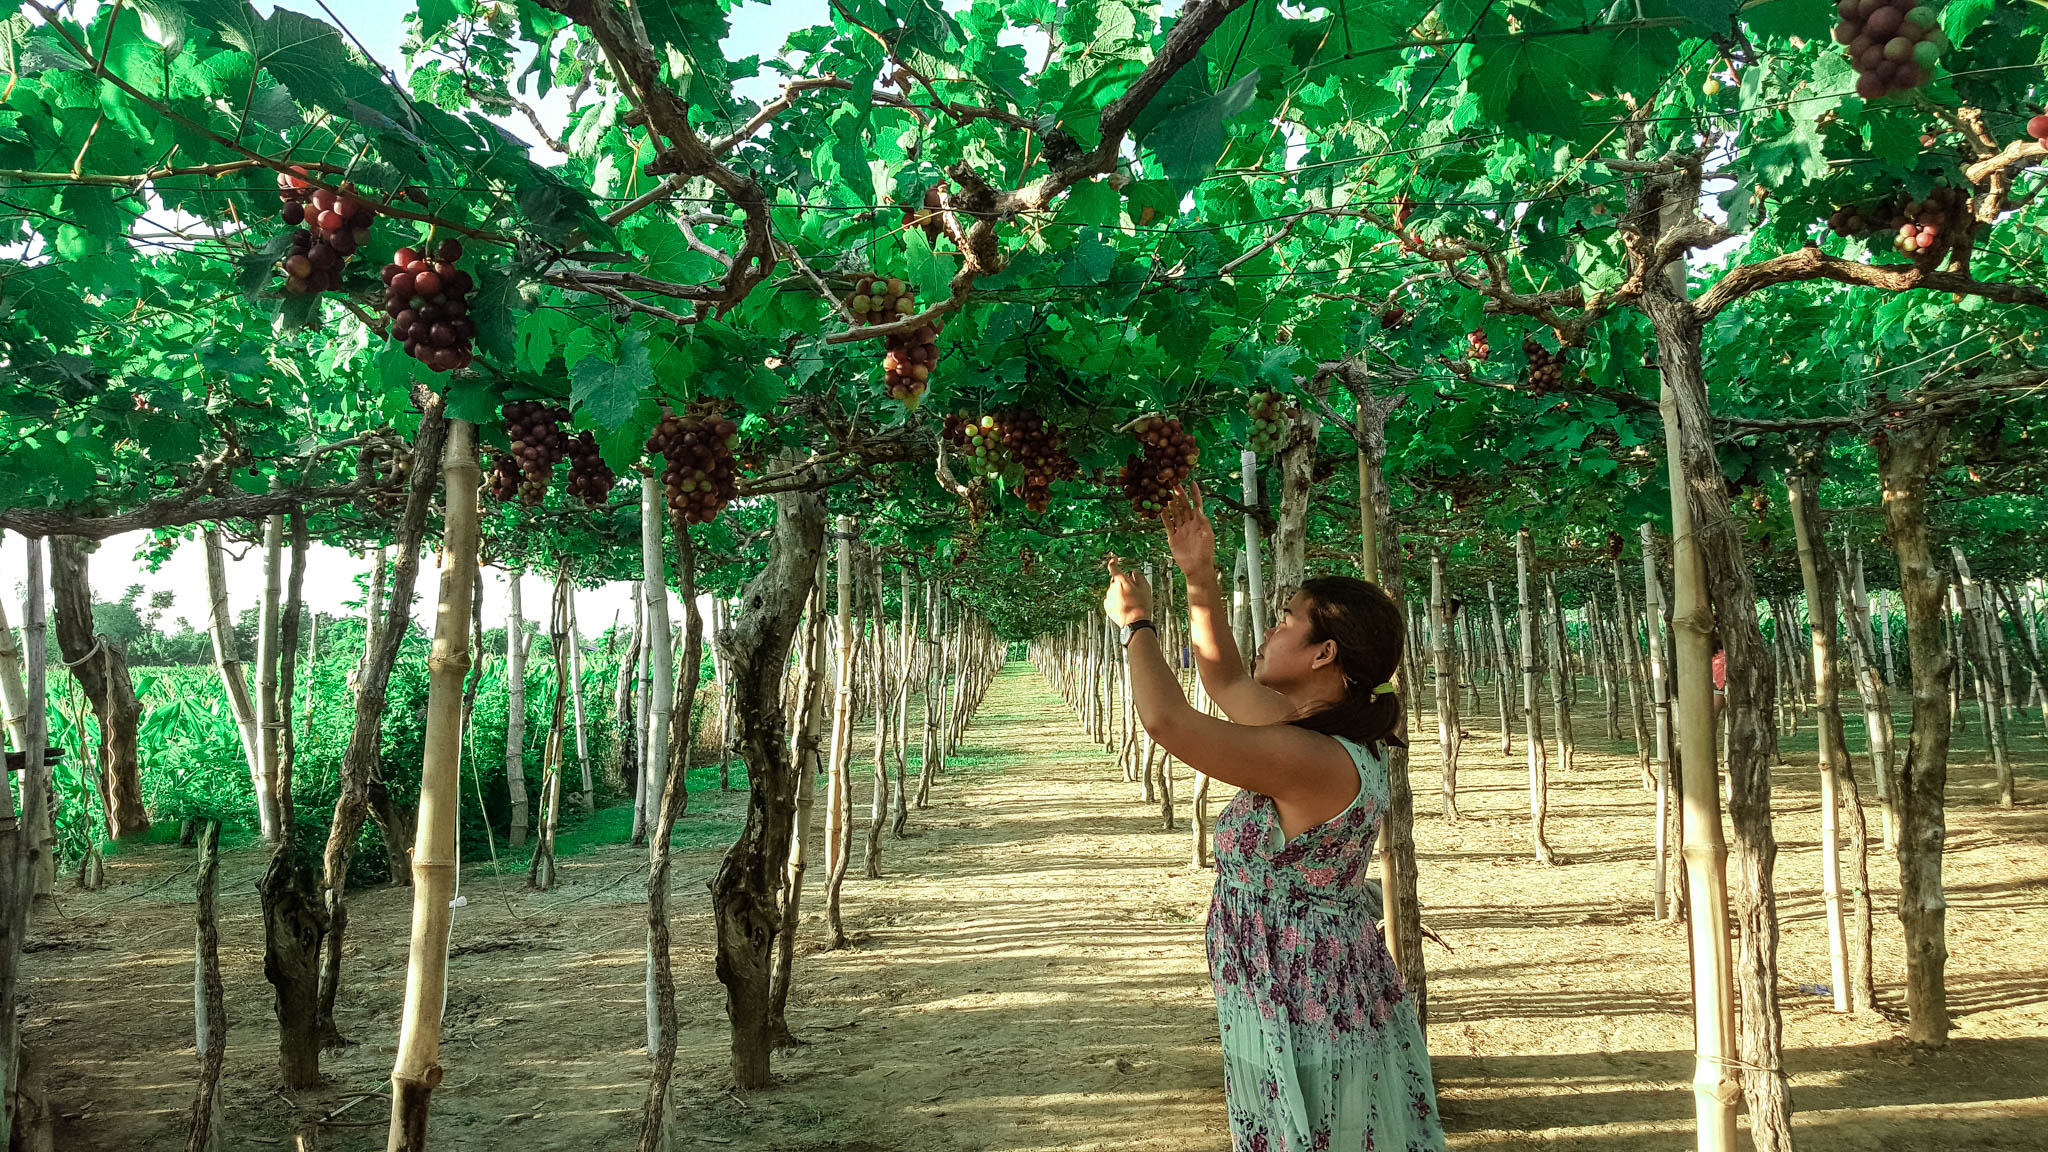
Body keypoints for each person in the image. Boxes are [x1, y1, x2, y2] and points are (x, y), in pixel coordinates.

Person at [1102, 480, 1444, 1152]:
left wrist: (1136, 625)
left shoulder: (1308, 756)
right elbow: (1225, 680)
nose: (1273, 627)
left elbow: (1166, 720)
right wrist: (1196, 575)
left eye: (1288, 620)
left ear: (1324, 653)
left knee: (1317, 1131)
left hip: (1304, 993)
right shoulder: (1310, 734)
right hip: (1290, 983)